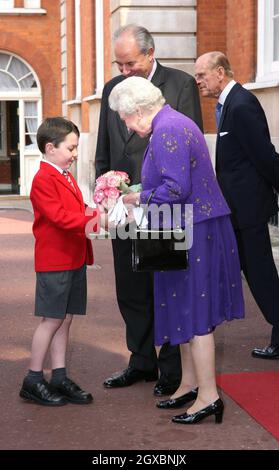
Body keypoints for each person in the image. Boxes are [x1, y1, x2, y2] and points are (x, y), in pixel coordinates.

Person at [109, 76, 245, 424]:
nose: (125, 125)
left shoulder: (167, 129)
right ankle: (189, 384)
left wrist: (135, 196)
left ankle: (209, 396)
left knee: (196, 314)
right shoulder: (172, 122)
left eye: (124, 118)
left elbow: (175, 188)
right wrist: (142, 188)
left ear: (137, 111)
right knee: (184, 308)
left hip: (195, 229)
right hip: (189, 226)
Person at [95, 24, 203, 396]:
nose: (124, 71)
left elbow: (189, 147)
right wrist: (105, 190)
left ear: (150, 53)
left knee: (167, 283)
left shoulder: (180, 84)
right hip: (124, 207)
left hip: (163, 204)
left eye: (130, 63)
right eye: (119, 64)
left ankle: (172, 370)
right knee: (130, 286)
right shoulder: (112, 89)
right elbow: (105, 147)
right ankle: (141, 360)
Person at [194, 51, 279, 359]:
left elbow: (264, 155)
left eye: (202, 74)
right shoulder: (229, 104)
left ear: (220, 72)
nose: (198, 81)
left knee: (259, 272)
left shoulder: (241, 104)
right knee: (254, 270)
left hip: (249, 208)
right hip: (238, 209)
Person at [19, 117, 101, 406]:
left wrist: (105, 208)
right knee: (51, 319)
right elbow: (60, 218)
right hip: (55, 260)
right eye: (71, 148)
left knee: (65, 320)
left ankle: (59, 375)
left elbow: (78, 209)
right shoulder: (43, 178)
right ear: (51, 148)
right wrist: (96, 218)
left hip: (73, 256)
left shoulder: (64, 174)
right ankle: (32, 377)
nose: (75, 154)